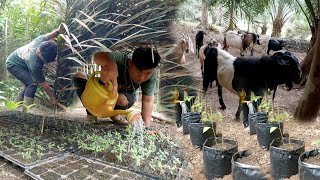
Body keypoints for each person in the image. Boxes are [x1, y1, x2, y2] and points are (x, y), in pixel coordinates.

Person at [73, 47, 160, 129]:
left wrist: (146, 128)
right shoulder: (120, 59)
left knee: (122, 100)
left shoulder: (152, 76)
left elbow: (147, 100)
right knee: (79, 76)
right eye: (138, 71)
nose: (142, 77)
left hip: (122, 97)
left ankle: (114, 113)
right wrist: (110, 64)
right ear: (130, 63)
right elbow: (97, 56)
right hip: (101, 91)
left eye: (148, 73)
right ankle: (91, 113)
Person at [6, 26, 62, 111]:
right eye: (44, 59)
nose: (45, 62)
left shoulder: (41, 41)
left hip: (21, 61)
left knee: (28, 83)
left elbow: (50, 35)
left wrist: (58, 31)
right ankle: (25, 112)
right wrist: (53, 98)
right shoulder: (35, 64)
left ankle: (14, 108)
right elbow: (44, 84)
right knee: (32, 83)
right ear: (39, 51)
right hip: (13, 64)